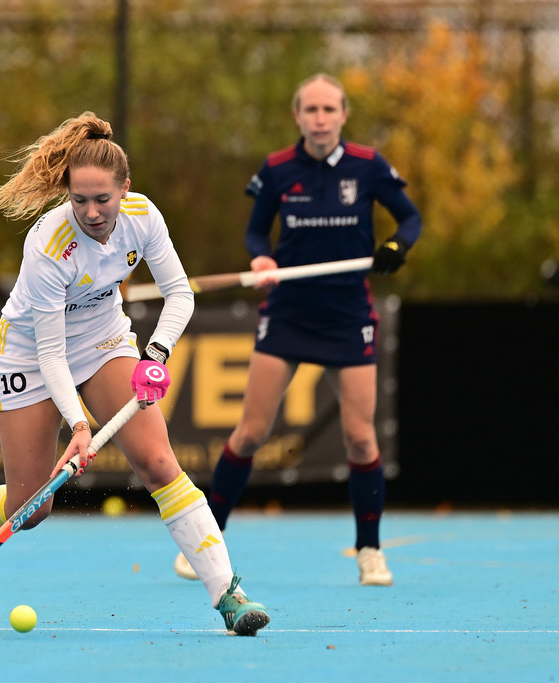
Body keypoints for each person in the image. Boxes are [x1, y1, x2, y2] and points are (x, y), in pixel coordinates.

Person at [0, 112, 270, 635]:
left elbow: (179, 294)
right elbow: (51, 354)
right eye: (79, 200)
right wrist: (79, 425)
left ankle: (228, 595)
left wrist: (154, 356)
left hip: (103, 341)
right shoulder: (47, 246)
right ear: (66, 194)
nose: (92, 212)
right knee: (33, 506)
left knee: (159, 462)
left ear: (125, 188)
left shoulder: (144, 217)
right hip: (29, 355)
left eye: (103, 199)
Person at [173, 74, 422, 586]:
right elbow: (255, 232)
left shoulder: (368, 166)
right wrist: (261, 257)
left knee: (360, 438)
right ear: (298, 116)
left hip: (348, 315)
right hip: (288, 312)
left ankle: (370, 550)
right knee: (251, 433)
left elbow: (410, 220)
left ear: (343, 115)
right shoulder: (278, 169)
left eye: (329, 109)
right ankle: (206, 541)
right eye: (311, 109)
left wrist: (397, 247)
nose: (320, 118)